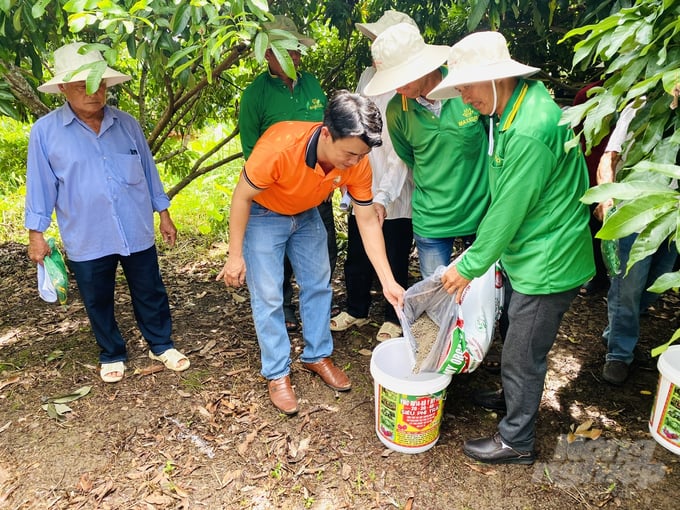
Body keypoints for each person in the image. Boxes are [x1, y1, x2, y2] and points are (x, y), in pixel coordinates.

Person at [429, 31, 594, 464]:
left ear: (494, 78)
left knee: (523, 351)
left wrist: (469, 266)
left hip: (548, 260)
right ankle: (513, 398)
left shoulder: (528, 128)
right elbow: (502, 193)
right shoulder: (513, 107)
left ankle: (516, 440)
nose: (463, 98)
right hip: (530, 251)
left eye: (465, 86)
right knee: (519, 342)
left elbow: (509, 208)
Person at [218, 90, 405, 415]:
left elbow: (366, 220)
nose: (354, 163)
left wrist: (388, 281)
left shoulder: (357, 164)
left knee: (319, 285)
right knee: (269, 296)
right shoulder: (279, 147)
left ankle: (317, 355)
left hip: (307, 214)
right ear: (326, 133)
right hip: (263, 214)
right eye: (349, 154)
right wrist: (235, 255)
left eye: (361, 156)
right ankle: (277, 373)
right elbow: (241, 197)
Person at [25, 42, 189, 383]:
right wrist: (35, 235)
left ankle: (160, 343)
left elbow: (147, 170)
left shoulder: (127, 124)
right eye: (82, 84)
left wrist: (164, 214)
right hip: (87, 233)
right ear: (63, 89)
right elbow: (40, 186)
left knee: (150, 289)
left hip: (136, 227)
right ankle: (111, 351)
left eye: (99, 82)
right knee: (97, 297)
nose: (93, 91)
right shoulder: (46, 132)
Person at [363, 23, 490, 280]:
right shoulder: (397, 110)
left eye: (399, 80)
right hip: (431, 219)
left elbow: (494, 143)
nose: (396, 89)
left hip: (480, 213)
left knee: (484, 300)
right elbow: (404, 158)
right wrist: (382, 198)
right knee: (435, 298)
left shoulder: (466, 88)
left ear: (421, 67)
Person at [239, 14, 335, 333]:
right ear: (268, 55)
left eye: (296, 50)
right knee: (276, 261)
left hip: (316, 191)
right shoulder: (255, 95)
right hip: (274, 199)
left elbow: (327, 133)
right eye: (286, 51)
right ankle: (284, 306)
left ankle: (317, 320)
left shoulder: (311, 84)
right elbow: (252, 152)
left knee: (322, 255)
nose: (294, 57)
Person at [330, 10, 416, 341]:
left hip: (396, 184)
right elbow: (355, 126)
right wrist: (344, 176)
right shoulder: (368, 76)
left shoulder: (408, 87)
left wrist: (384, 194)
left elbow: (401, 150)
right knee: (357, 248)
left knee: (394, 249)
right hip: (361, 176)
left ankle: (393, 316)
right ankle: (356, 308)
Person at [594, 102, 678, 385]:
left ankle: (617, 333)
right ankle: (619, 353)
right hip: (636, 209)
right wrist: (607, 197)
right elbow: (611, 155)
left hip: (673, 216)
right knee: (627, 287)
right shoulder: (640, 107)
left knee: (656, 283)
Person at [573, 80, 610, 295]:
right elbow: (577, 131)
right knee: (593, 230)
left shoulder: (636, 99)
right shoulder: (587, 95)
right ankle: (599, 277)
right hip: (592, 172)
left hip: (623, 174)